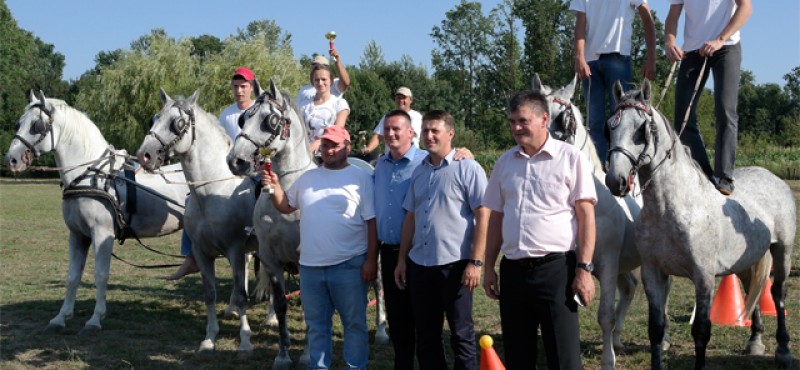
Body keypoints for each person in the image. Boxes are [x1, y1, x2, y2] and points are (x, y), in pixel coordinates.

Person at [481, 91, 597, 369]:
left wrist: (584, 269)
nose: (516, 128)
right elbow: (496, 218)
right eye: (512, 122)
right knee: (518, 357)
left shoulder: (570, 158)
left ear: (544, 119)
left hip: (556, 271)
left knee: (564, 359)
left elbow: (586, 217)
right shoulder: (504, 163)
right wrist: (489, 267)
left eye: (523, 121)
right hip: (513, 272)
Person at [261, 125, 377, 369]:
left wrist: (370, 261)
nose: (329, 150)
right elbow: (286, 206)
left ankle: (355, 367)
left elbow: (372, 222)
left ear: (347, 148)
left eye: (335, 145)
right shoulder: (308, 178)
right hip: (310, 268)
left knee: (354, 324)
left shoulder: (361, 178)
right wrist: (274, 186)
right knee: (316, 326)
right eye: (325, 145)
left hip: (349, 265)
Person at [394, 110, 488, 370]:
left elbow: (483, 215)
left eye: (435, 130)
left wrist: (476, 262)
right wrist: (402, 260)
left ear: (450, 133)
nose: (429, 136)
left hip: (455, 265)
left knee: (461, 334)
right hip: (420, 265)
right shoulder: (419, 172)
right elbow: (411, 217)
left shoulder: (468, 168)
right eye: (425, 130)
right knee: (426, 336)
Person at [166, 66, 257, 281]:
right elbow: (221, 143)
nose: (239, 91)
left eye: (243, 86)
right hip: (229, 170)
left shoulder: (257, 111)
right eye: (236, 86)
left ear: (251, 88)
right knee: (193, 200)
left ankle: (257, 235)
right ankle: (191, 255)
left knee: (261, 194)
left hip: (254, 169)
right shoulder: (227, 114)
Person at [665, 0, 752, 195]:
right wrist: (669, 42)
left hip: (726, 46)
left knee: (725, 110)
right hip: (692, 51)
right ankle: (703, 174)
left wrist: (720, 39)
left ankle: (724, 177)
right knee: (682, 118)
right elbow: (672, 16)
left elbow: (746, 8)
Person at [572, 0, 657, 162]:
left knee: (621, 118)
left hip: (618, 56)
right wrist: (579, 57)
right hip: (590, 61)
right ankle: (597, 168)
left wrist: (651, 59)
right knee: (594, 121)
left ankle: (619, 165)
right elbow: (580, 23)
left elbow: (647, 18)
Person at [296, 63, 350, 155]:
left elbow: (336, 132)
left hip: (330, 155)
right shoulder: (303, 105)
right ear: (312, 82)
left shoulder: (339, 104)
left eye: (324, 79)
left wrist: (318, 142)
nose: (320, 83)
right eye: (317, 80)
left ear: (331, 81)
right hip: (305, 154)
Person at [361, 87, 422, 156]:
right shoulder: (388, 117)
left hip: (410, 158)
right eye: (398, 98)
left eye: (403, 98)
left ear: (410, 100)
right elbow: (378, 136)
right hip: (390, 159)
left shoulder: (416, 116)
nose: (400, 100)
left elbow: (410, 135)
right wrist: (368, 149)